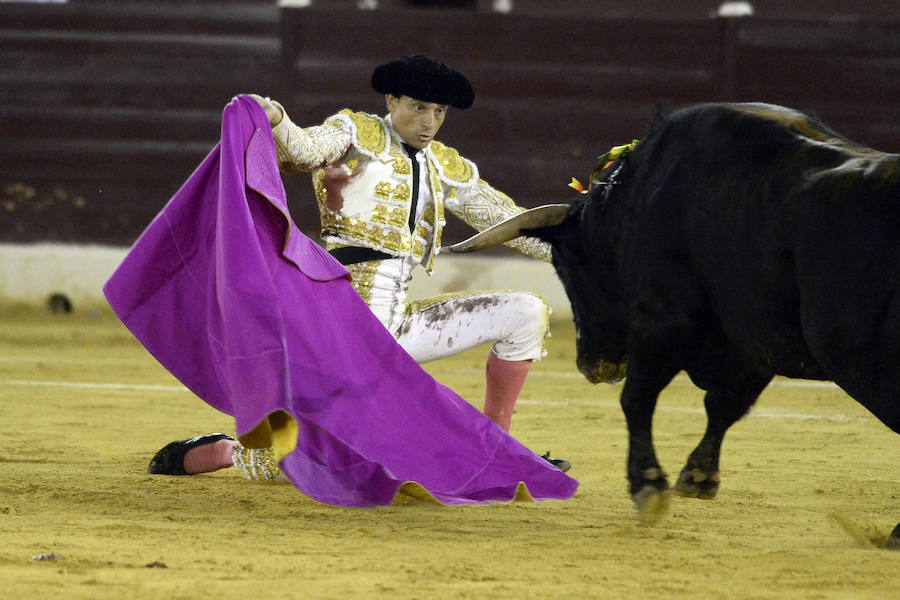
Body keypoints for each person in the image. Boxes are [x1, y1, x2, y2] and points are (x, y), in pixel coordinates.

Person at [149, 54, 571, 479]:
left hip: (394, 327)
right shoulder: (356, 134)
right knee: (300, 464)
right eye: (418, 107)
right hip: (339, 329)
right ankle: (226, 452)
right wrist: (276, 115)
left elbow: (506, 222)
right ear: (392, 100)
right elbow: (303, 148)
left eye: (439, 112)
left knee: (526, 314)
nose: (429, 122)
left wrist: (588, 249)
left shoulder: (443, 163)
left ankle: (498, 452)